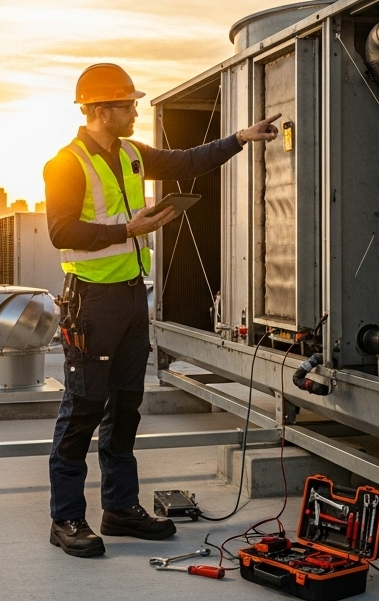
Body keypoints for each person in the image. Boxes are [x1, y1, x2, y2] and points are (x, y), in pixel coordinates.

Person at [42, 62, 280, 557]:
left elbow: (185, 161)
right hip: (91, 300)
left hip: (131, 295)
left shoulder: (130, 153)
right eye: (127, 104)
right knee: (83, 408)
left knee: (127, 406)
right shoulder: (65, 164)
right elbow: (61, 231)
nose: (134, 111)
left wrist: (240, 137)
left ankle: (119, 509)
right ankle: (65, 518)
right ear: (102, 110)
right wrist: (125, 231)